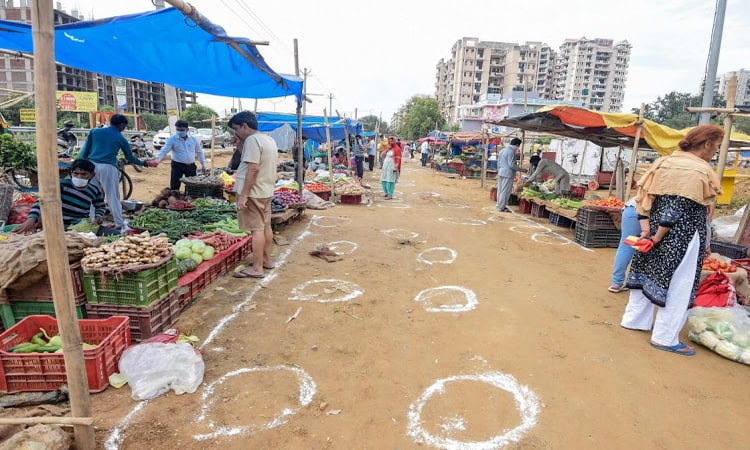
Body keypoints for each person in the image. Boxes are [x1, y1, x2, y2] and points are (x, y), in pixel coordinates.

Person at [620, 124, 724, 356]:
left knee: (647, 271)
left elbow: (643, 199)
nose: (715, 151)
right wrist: (658, 236)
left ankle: (634, 320)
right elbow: (677, 208)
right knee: (681, 284)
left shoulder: (663, 163)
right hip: (682, 236)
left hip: (654, 229)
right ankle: (665, 338)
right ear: (706, 144)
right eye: (716, 147)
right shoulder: (698, 170)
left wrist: (647, 232)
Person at [77, 114, 152, 231]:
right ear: (122, 125)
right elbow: (130, 158)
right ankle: (119, 223)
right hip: (108, 167)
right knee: (112, 196)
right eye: (124, 127)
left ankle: (91, 222)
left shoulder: (94, 132)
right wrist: (145, 163)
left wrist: (78, 164)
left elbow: (84, 151)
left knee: (90, 194)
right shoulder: (120, 138)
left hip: (91, 167)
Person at [228, 111, 278, 279]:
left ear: (245, 126)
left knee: (256, 230)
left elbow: (253, 168)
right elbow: (253, 160)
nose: (236, 133)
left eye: (236, 129)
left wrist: (243, 195)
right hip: (266, 190)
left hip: (253, 192)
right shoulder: (267, 139)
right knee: (266, 226)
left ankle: (257, 268)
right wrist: (239, 145)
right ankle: (266, 261)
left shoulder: (252, 140)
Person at [12, 159, 108, 233]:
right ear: (71, 173)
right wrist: (32, 219)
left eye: (84, 174)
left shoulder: (94, 189)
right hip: (58, 224)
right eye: (76, 173)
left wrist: (99, 215)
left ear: (92, 175)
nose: (79, 177)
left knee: (114, 234)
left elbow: (100, 206)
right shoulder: (61, 185)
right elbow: (41, 201)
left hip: (81, 225)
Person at [152, 119, 206, 190]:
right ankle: (174, 199)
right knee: (175, 186)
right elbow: (164, 150)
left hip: (190, 166)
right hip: (177, 165)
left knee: (193, 186)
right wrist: (158, 159)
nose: (179, 132)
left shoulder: (194, 140)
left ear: (187, 129)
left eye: (182, 130)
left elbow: (199, 152)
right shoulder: (172, 139)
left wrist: (203, 164)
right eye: (178, 129)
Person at [608, 197, 640, 293]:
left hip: (629, 208)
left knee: (625, 245)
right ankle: (639, 282)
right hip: (643, 212)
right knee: (646, 246)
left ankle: (616, 283)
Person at [496, 137, 526, 212]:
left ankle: (499, 205)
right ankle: (501, 207)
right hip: (508, 173)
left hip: (501, 172)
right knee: (505, 191)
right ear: (517, 144)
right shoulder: (511, 152)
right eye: (518, 146)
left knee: (500, 190)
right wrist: (521, 169)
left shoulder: (502, 150)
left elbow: (498, 163)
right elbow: (511, 165)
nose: (518, 148)